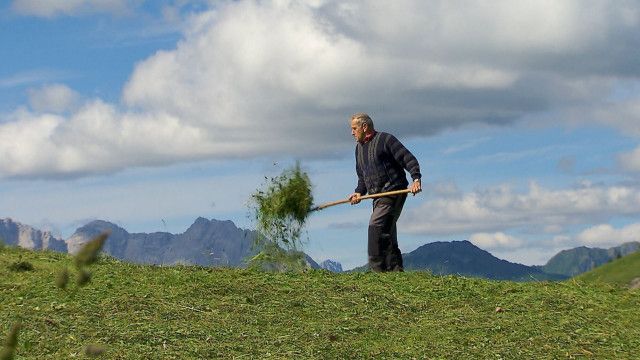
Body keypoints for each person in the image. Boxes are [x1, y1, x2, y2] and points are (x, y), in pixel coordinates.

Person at [348, 113, 422, 272]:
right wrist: (358, 192)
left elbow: (408, 158)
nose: (352, 132)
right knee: (387, 232)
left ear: (364, 127)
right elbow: (362, 177)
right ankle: (395, 272)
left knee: (376, 227)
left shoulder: (386, 140)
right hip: (377, 197)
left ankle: (377, 271)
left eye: (354, 128)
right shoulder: (358, 149)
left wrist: (416, 179)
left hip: (394, 191)